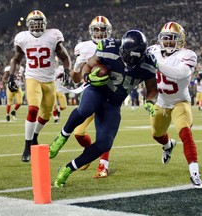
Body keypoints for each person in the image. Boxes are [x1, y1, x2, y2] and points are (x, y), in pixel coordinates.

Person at [49, 30, 158, 188]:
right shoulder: (109, 48)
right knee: (85, 109)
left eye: (136, 57)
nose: (131, 60)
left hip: (113, 104)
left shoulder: (148, 63)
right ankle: (61, 138)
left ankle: (68, 169)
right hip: (97, 91)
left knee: (105, 143)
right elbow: (88, 65)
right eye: (129, 56)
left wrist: (149, 101)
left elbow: (152, 89)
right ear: (122, 50)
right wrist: (87, 77)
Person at [7, 10, 71, 162]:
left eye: (39, 23)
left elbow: (65, 57)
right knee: (33, 108)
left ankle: (34, 137)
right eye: (34, 23)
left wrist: (67, 70)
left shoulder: (52, 36)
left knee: (46, 115)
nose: (36, 27)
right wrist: (11, 76)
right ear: (28, 25)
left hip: (49, 80)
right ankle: (27, 146)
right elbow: (16, 60)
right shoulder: (23, 38)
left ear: (45, 24)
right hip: (32, 77)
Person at [148, 21, 202, 188]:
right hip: (161, 102)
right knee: (157, 134)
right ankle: (168, 145)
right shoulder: (153, 50)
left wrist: (157, 63)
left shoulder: (188, 55)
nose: (167, 42)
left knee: (185, 132)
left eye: (172, 38)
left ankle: (194, 173)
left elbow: (180, 73)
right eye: (165, 38)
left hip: (180, 101)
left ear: (180, 40)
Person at [70, 16, 113, 178]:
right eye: (97, 29)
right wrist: (76, 67)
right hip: (91, 94)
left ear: (108, 31)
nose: (100, 33)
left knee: (104, 133)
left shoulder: (114, 46)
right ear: (91, 31)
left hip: (108, 94)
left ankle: (103, 166)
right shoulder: (84, 47)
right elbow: (75, 80)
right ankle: (90, 154)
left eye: (103, 29)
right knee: (78, 132)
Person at [53, 57, 67, 124]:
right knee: (54, 105)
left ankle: (59, 111)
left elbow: (64, 74)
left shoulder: (61, 68)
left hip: (60, 88)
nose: (54, 63)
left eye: (55, 61)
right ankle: (55, 118)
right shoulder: (49, 69)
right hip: (52, 89)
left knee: (63, 106)